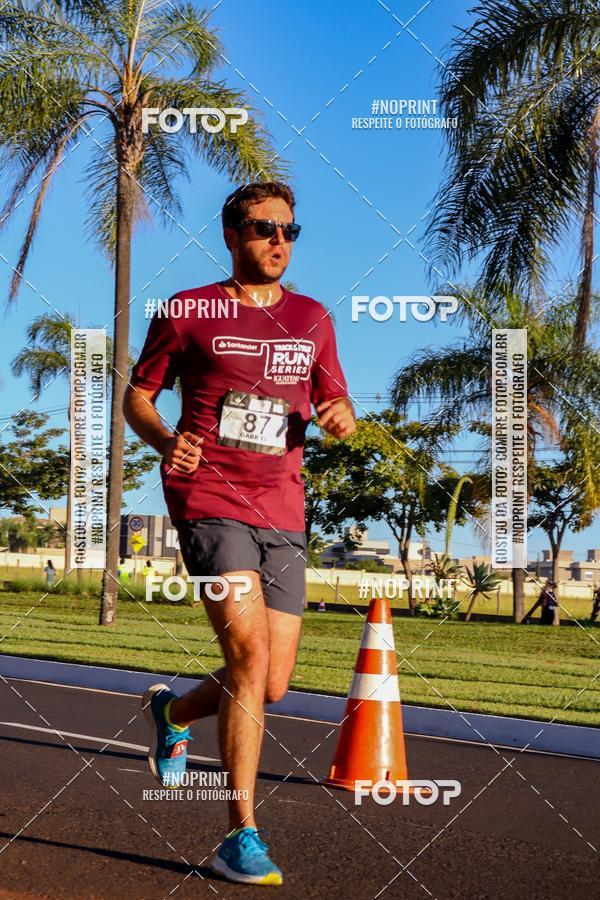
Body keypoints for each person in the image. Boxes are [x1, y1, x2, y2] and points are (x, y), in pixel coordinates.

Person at [125, 181, 355, 886]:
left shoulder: (313, 318)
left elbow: (331, 393)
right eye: (262, 229)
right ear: (230, 235)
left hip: (282, 504)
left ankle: (172, 710)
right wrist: (166, 443)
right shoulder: (189, 310)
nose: (278, 241)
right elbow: (138, 395)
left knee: (274, 682)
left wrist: (341, 414)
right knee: (249, 656)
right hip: (207, 497)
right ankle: (239, 835)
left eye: (289, 230)